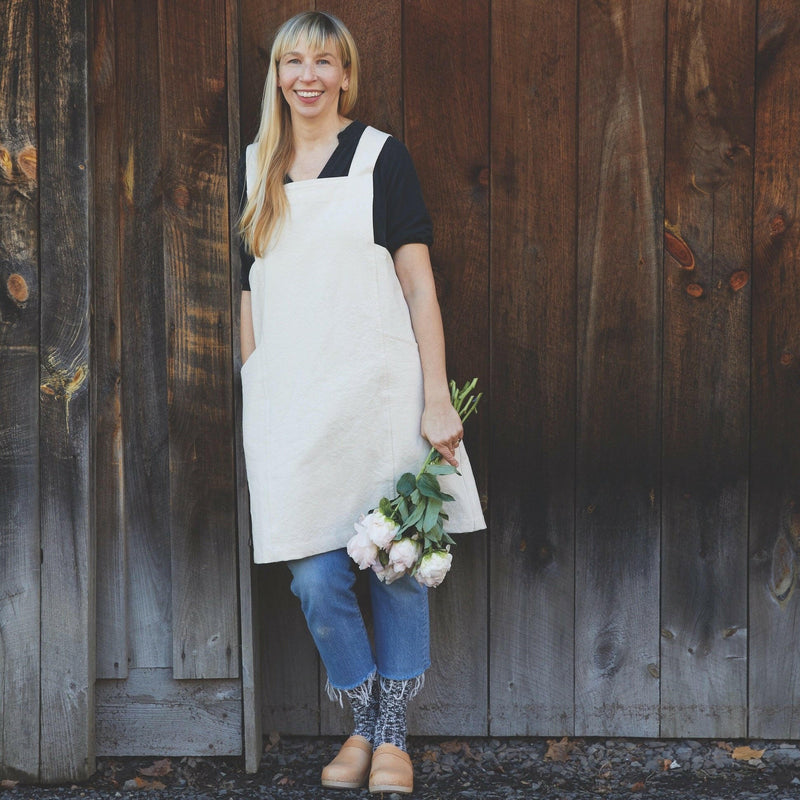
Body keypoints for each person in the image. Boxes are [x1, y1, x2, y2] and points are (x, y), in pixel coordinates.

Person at [237, 10, 485, 794]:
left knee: (395, 566)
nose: (307, 77)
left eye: (323, 62)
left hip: (379, 394)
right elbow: (252, 291)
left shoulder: (382, 158)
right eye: (292, 63)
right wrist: (258, 383)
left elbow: (417, 283)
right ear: (277, 76)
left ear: (345, 74)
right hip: (297, 409)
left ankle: (387, 739)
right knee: (315, 576)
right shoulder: (257, 167)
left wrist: (437, 399)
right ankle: (365, 719)